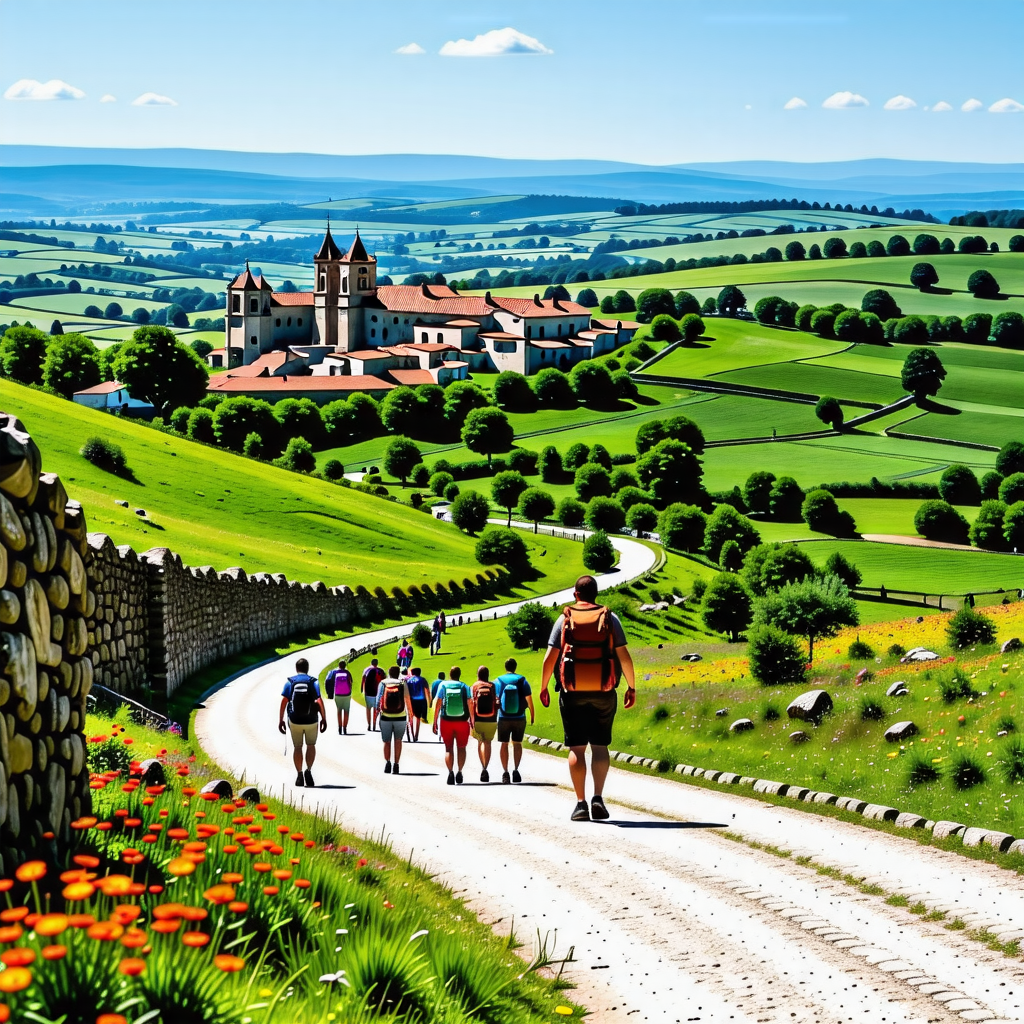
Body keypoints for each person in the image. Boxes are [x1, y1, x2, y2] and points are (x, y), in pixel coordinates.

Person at [540, 574, 636, 822]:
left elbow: (550, 658)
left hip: (572, 692)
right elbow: (624, 657)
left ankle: (581, 804)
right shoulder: (610, 618)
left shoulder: (565, 619)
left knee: (577, 748)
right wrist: (631, 687)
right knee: (600, 746)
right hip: (604, 691)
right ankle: (598, 799)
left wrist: (543, 687)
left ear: (576, 594)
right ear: (596, 594)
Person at [278, 658, 327, 787]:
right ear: (307, 668)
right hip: (311, 720)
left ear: (296, 668)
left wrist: (281, 720)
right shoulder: (313, 682)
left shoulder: (290, 682)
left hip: (295, 720)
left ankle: (299, 775)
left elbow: (284, 701)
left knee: (297, 747)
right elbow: (319, 700)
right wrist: (324, 718)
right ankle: (308, 770)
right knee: (311, 745)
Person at [432, 665, 474, 785]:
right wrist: (472, 719)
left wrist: (435, 721)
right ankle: (459, 772)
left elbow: (438, 703)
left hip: (446, 721)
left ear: (450, 675)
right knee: (462, 748)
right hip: (462, 721)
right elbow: (470, 703)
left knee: (448, 748)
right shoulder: (465, 686)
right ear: (459, 675)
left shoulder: (443, 685)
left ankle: (450, 773)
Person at [495, 658, 534, 784]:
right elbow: (529, 700)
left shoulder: (498, 681)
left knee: (504, 744)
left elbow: (495, 699)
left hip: (503, 717)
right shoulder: (522, 680)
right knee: (517, 743)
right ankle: (516, 770)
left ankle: (505, 772)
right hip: (519, 717)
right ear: (515, 667)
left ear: (505, 667)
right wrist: (532, 715)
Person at [378, 665, 413, 774]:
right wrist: (410, 714)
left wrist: (377, 713)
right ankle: (396, 765)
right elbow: (407, 699)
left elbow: (378, 700)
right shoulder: (402, 683)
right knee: (398, 740)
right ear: (398, 674)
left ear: (389, 673)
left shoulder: (383, 683)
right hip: (400, 716)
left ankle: (387, 763)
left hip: (385, 716)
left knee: (386, 741)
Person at [470, 665, 499, 783]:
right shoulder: (492, 686)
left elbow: (471, 703)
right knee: (488, 742)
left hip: (478, 719)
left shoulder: (474, 686)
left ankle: (482, 766)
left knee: (480, 741)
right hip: (491, 719)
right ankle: (486, 767)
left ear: (478, 675)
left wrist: (471, 720)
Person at [326, 659, 354, 735]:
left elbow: (328, 680)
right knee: (346, 711)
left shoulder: (335, 672)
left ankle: (340, 727)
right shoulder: (347, 672)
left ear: (339, 665)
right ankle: (345, 728)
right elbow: (351, 682)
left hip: (338, 694)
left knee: (339, 710)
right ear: (345, 665)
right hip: (347, 694)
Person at [406, 665, 430, 742]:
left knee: (411, 717)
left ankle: (412, 734)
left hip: (411, 700)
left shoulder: (408, 680)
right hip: (421, 699)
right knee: (418, 718)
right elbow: (427, 690)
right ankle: (416, 735)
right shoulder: (423, 680)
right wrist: (429, 700)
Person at [361, 657, 385, 732]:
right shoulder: (381, 671)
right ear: (377, 663)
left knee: (368, 708)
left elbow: (363, 680)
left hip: (368, 692)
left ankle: (369, 724)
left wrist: (362, 689)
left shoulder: (366, 670)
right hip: (377, 692)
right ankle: (374, 724)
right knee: (375, 708)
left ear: (371, 663)